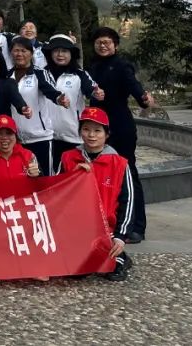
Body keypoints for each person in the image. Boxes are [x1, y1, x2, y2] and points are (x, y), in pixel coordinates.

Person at [88, 26, 154, 243]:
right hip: (97, 126)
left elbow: (134, 86)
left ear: (115, 45)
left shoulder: (122, 65)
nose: (103, 45)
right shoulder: (93, 67)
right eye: (99, 42)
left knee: (128, 174)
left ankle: (137, 227)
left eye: (107, 42)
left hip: (120, 125)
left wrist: (143, 98)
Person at [56, 107, 135, 281]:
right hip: (76, 228)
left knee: (111, 269)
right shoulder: (68, 158)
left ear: (107, 134)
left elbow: (128, 202)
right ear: (80, 132)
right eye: (86, 129)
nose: (91, 135)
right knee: (76, 272)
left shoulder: (119, 164)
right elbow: (55, 195)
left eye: (97, 131)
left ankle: (120, 257)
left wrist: (121, 236)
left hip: (107, 230)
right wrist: (72, 176)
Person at [9, 35, 68, 175]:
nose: (19, 54)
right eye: (16, 50)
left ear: (31, 53)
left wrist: (58, 98)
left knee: (45, 178)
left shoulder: (40, 73)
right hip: (16, 140)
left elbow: (49, 89)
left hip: (40, 137)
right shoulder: (7, 75)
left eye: (23, 51)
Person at [44, 35, 105, 164]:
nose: (60, 55)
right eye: (56, 51)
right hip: (47, 136)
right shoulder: (41, 74)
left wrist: (96, 93)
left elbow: (91, 88)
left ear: (71, 54)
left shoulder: (79, 74)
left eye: (64, 51)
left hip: (73, 136)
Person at [0, 115, 41, 179]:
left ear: (15, 136)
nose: (4, 137)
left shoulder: (29, 156)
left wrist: (37, 176)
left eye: (9, 133)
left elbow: (41, 183)